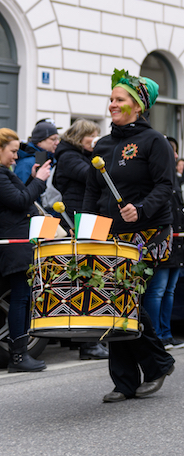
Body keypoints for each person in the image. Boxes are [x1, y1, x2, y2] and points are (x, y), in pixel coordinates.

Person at [83, 68, 176, 403]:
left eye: (119, 100)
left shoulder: (155, 142)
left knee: (128, 300)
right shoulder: (104, 144)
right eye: (111, 99)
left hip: (149, 232)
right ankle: (124, 381)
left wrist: (142, 209)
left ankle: (157, 363)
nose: (112, 105)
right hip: (112, 235)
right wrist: (86, 226)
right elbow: (92, 192)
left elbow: (166, 186)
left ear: (137, 106)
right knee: (113, 302)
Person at [52, 118, 110, 361]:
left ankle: (86, 342)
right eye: (92, 136)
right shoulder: (69, 157)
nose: (95, 139)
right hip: (80, 222)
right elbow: (92, 176)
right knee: (87, 281)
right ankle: (88, 345)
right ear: (80, 136)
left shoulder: (72, 155)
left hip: (84, 219)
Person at [0, 128, 51, 372]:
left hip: (17, 243)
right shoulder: (0, 175)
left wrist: (31, 180)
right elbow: (21, 202)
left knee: (21, 298)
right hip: (15, 245)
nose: (16, 157)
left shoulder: (5, 173)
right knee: (20, 298)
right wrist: (40, 181)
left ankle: (18, 355)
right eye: (11, 151)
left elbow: (20, 196)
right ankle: (18, 357)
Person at [142, 136, 184, 351]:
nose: (177, 156)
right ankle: (156, 335)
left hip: (177, 241)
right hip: (162, 240)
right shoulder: (156, 178)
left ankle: (167, 333)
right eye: (173, 152)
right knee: (158, 290)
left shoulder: (175, 179)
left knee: (170, 290)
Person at [13, 118, 60, 183]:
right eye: (53, 139)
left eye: (58, 139)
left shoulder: (52, 159)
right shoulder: (25, 164)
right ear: (39, 142)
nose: (57, 142)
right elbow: (22, 191)